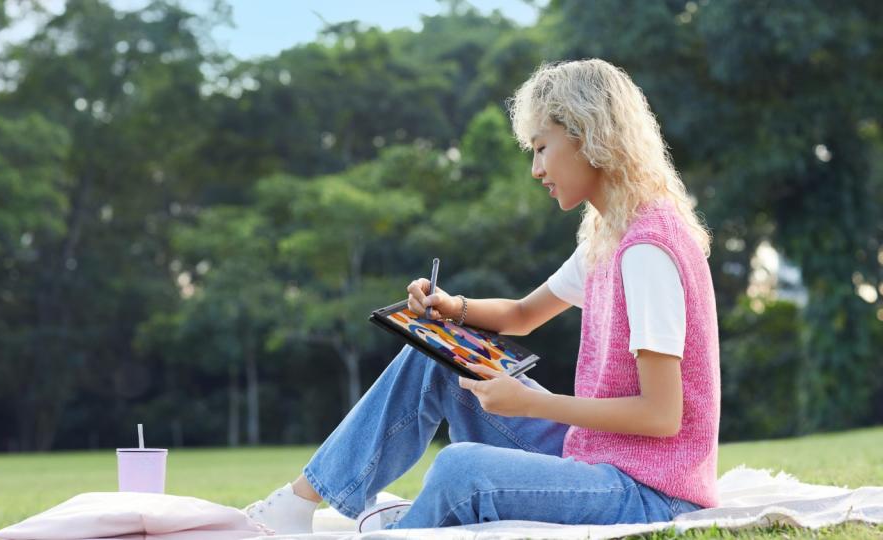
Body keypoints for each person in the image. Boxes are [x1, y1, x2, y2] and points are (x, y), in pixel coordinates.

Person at [244, 58, 720, 534]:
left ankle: (401, 526)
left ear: (587, 135)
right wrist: (454, 309)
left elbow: (661, 415)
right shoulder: (609, 238)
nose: (536, 169)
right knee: (436, 357)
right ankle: (299, 503)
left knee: (461, 471)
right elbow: (521, 314)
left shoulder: (646, 250)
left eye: (541, 149)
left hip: (650, 493)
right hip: (599, 456)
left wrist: (531, 403)